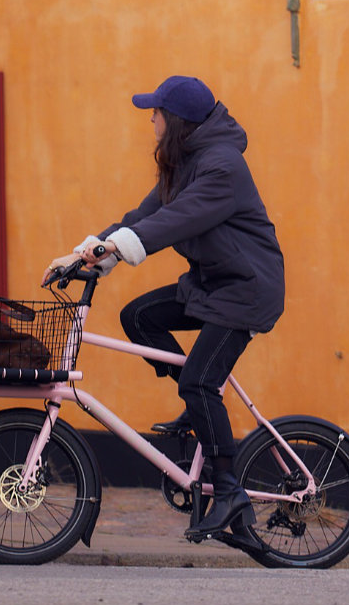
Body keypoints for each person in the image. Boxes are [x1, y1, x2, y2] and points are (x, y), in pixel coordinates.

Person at [44, 75, 285, 540]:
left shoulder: (221, 167)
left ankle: (229, 490)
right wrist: (82, 254)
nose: (150, 119)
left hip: (246, 292)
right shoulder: (183, 163)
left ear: (175, 121)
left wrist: (116, 247)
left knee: (199, 381)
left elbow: (175, 221)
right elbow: (143, 217)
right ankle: (199, 410)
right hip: (213, 285)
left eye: (155, 112)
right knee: (139, 317)